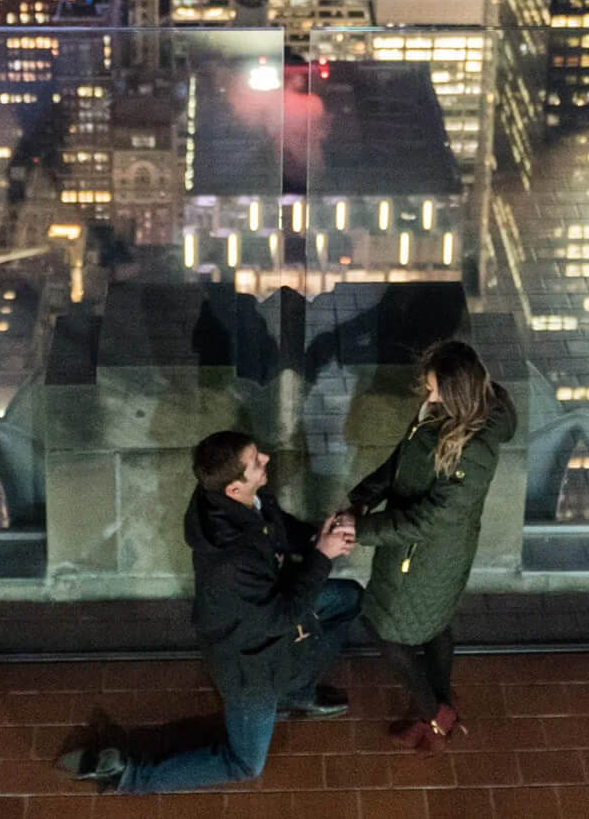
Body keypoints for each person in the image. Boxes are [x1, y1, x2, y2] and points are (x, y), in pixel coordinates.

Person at [57, 430, 360, 792]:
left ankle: (296, 693)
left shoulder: (230, 497)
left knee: (349, 598)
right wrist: (322, 557)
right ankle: (127, 775)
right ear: (233, 489)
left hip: (269, 624)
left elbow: (274, 527)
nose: (266, 459)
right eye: (255, 462)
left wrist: (316, 537)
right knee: (246, 764)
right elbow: (280, 617)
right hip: (251, 666)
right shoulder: (233, 560)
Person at [345, 339, 516, 751]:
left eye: (435, 387)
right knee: (434, 622)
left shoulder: (471, 451)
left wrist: (359, 530)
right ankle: (441, 702)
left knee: (383, 626)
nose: (428, 392)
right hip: (422, 550)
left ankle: (434, 711)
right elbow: (403, 460)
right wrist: (363, 496)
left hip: (425, 554)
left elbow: (429, 519)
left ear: (456, 394)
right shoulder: (443, 415)